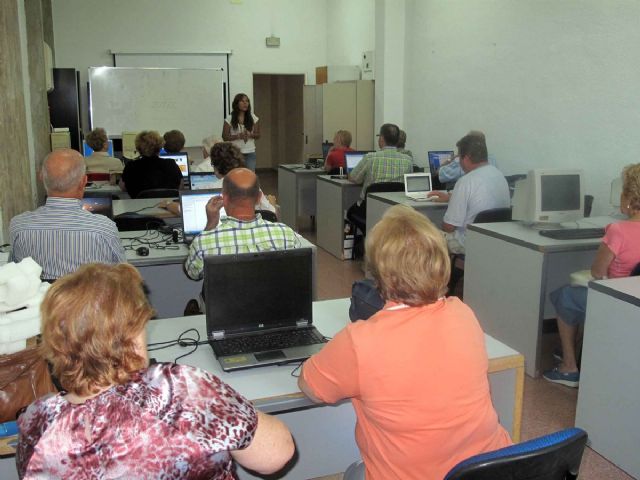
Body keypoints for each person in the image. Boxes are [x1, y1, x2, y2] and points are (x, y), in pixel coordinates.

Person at [16, 263, 295, 479]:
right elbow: (277, 455)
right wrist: (225, 408)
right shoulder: (179, 390)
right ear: (133, 336)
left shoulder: (35, 422)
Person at [298, 205, 512, 479]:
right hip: (488, 472)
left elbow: (311, 388)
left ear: (376, 273)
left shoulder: (361, 341)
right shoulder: (462, 313)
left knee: (352, 472)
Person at [543, 163, 640, 388]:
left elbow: (597, 272)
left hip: (616, 302)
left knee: (564, 296)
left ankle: (569, 366)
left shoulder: (618, 230)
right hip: (635, 303)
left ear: (628, 196)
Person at [9, 149, 125, 281]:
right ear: (84, 181)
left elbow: (14, 273)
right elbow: (122, 276)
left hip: (42, 301)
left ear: (41, 177)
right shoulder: (104, 228)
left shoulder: (18, 226)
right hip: (89, 300)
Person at [184, 168, 300, 280]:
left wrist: (210, 225)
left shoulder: (203, 243)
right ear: (259, 198)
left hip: (226, 300)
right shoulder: (287, 235)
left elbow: (193, 274)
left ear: (225, 198)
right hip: (272, 300)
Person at [428, 132, 510, 254]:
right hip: (492, 240)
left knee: (427, 234)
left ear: (465, 158)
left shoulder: (466, 181)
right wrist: (451, 198)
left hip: (467, 242)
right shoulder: (499, 175)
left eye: (459, 158)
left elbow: (448, 227)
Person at [162, 143, 277, 216]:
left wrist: (168, 204)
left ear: (216, 166)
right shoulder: (252, 186)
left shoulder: (207, 189)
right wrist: (272, 203)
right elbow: (272, 213)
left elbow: (184, 211)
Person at [348, 123, 413, 201]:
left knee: (350, 211)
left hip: (369, 206)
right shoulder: (408, 160)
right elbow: (409, 185)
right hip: (395, 207)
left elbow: (354, 178)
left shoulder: (370, 157)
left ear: (381, 138)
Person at [120, 130, 183, 198]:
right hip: (167, 206)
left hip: (139, 207)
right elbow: (181, 186)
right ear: (160, 147)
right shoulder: (171, 164)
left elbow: (123, 187)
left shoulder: (131, 166)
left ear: (138, 148)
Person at [222, 93, 260, 171]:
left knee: (250, 176)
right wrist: (238, 136)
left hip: (250, 152)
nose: (245, 103)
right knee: (236, 176)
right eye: (242, 101)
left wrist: (250, 135)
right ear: (236, 103)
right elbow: (224, 137)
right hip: (235, 153)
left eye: (247, 101)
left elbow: (258, 135)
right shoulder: (230, 118)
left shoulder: (253, 117)